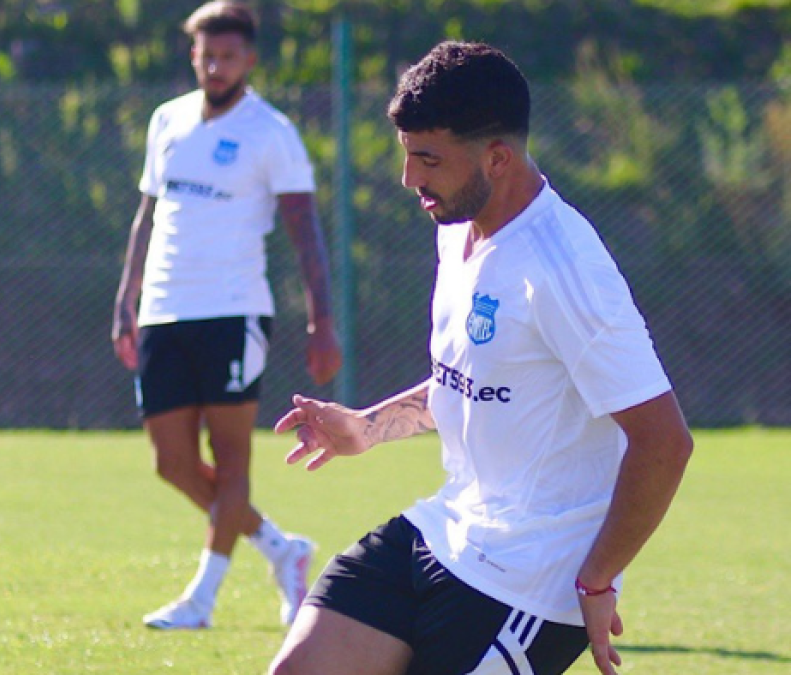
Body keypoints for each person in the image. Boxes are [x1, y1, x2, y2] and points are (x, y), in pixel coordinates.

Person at [268, 41, 694, 675]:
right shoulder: (456, 230)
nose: (409, 178)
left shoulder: (565, 269)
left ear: (497, 158)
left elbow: (664, 442)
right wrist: (369, 426)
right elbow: (476, 379)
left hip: (532, 582)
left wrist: (598, 579)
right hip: (445, 529)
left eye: (429, 159)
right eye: (407, 154)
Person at [111, 1, 342, 631]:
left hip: (233, 311)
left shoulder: (272, 132)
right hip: (164, 310)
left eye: (228, 56)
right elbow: (147, 215)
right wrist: (127, 299)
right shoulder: (168, 120)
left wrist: (321, 320)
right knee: (171, 462)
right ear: (193, 56)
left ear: (250, 60)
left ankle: (202, 599)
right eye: (206, 55)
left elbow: (305, 231)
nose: (216, 67)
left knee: (232, 458)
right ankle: (281, 548)